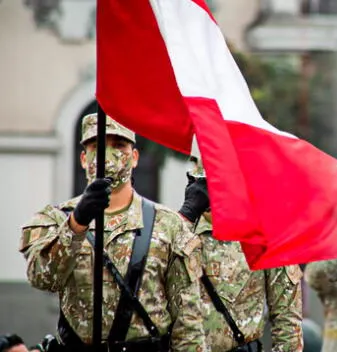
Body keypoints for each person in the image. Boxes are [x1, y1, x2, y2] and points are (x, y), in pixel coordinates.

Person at [19, 114, 208, 352]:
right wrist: (76, 224)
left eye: (119, 145)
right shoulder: (55, 219)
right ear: (83, 158)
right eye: (97, 146)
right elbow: (43, 279)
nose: (108, 155)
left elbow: (188, 319)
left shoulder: (167, 224)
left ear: (135, 157)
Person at [177, 152, 304, 352]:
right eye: (194, 163)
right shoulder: (175, 229)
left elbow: (287, 322)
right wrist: (185, 217)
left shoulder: (264, 233)